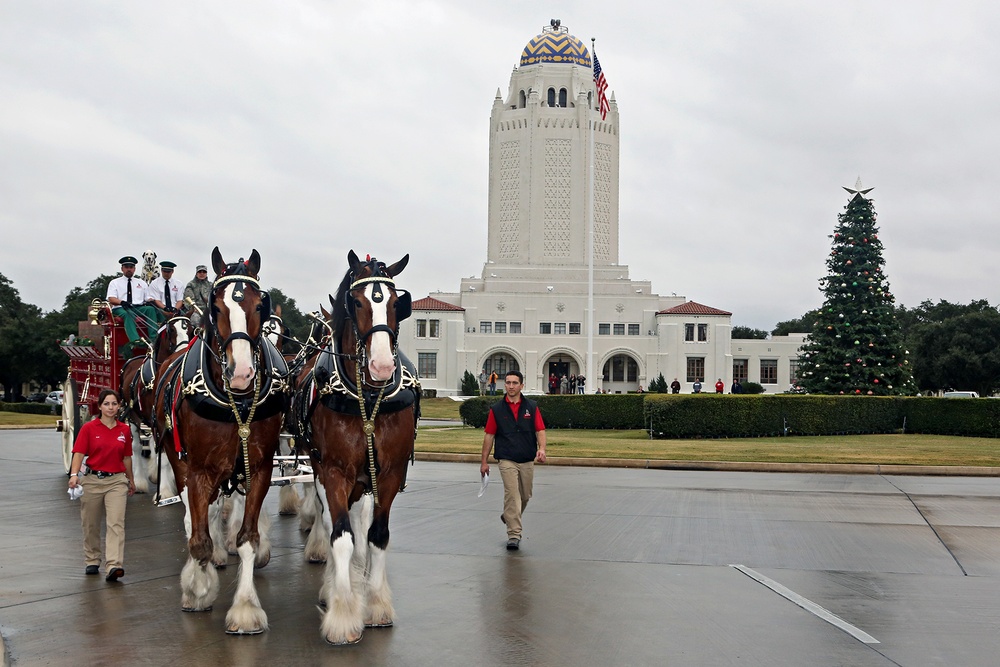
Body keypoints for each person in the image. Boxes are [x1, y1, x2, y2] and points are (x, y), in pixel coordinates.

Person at [67, 389, 136, 582]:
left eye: (114, 404)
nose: (111, 407)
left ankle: (114, 565)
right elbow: (79, 454)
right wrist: (74, 475)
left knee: (116, 524)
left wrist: (131, 480)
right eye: (107, 404)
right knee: (90, 524)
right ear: (99, 406)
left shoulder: (124, 430)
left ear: (119, 406)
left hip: (116, 482)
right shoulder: (89, 428)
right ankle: (92, 559)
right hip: (92, 481)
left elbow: (127, 458)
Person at [480, 370, 546, 551]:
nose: (510, 386)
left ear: (521, 386)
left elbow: (540, 430)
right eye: (508, 383)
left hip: (526, 459)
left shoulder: (531, 407)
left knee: (525, 496)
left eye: (514, 383)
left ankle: (508, 516)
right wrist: (484, 461)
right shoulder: (497, 409)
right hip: (506, 458)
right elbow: (489, 436)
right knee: (512, 494)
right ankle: (514, 534)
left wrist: (541, 449)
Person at [106, 256, 159, 347]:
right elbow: (111, 298)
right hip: (120, 308)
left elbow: (147, 297)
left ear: (134, 269)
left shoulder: (141, 283)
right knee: (128, 314)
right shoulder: (115, 282)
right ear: (122, 269)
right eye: (126, 267)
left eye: (131, 267)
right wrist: (122, 302)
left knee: (150, 309)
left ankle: (154, 338)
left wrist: (151, 300)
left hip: (137, 307)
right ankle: (135, 340)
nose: (129, 269)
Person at [183, 264, 212, 329]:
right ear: (196, 273)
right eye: (200, 272)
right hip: (195, 310)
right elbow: (188, 300)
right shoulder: (191, 285)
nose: (202, 274)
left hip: (209, 310)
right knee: (196, 320)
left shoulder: (211, 285)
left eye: (204, 272)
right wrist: (194, 309)